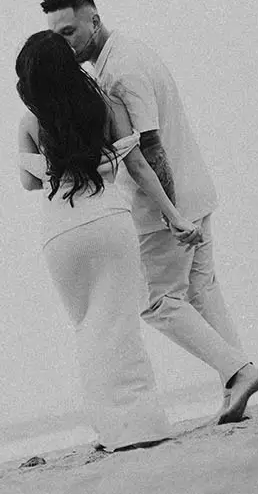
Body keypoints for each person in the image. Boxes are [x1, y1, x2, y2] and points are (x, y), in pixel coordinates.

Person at [40, 0, 258, 423]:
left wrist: (170, 215)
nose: (63, 43)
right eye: (55, 36)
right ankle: (236, 382)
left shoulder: (121, 71)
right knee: (201, 291)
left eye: (69, 31)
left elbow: (150, 148)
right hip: (195, 188)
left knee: (157, 302)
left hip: (168, 203)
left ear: (94, 19)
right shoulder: (129, 52)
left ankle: (239, 371)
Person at [15, 30, 200, 452]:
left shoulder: (30, 123)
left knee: (87, 328)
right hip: (109, 222)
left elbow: (28, 181)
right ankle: (143, 424)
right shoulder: (104, 106)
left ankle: (112, 430)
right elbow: (137, 164)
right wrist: (173, 215)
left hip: (61, 234)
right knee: (119, 323)